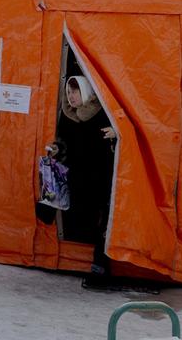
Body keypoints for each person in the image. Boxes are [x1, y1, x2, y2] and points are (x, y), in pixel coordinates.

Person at [59, 75, 117, 288]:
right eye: (68, 93)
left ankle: (100, 266)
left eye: (74, 92)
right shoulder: (68, 116)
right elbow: (63, 142)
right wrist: (57, 149)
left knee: (103, 221)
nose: (71, 97)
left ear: (85, 92)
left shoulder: (103, 115)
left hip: (101, 178)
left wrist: (117, 134)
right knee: (84, 218)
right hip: (78, 179)